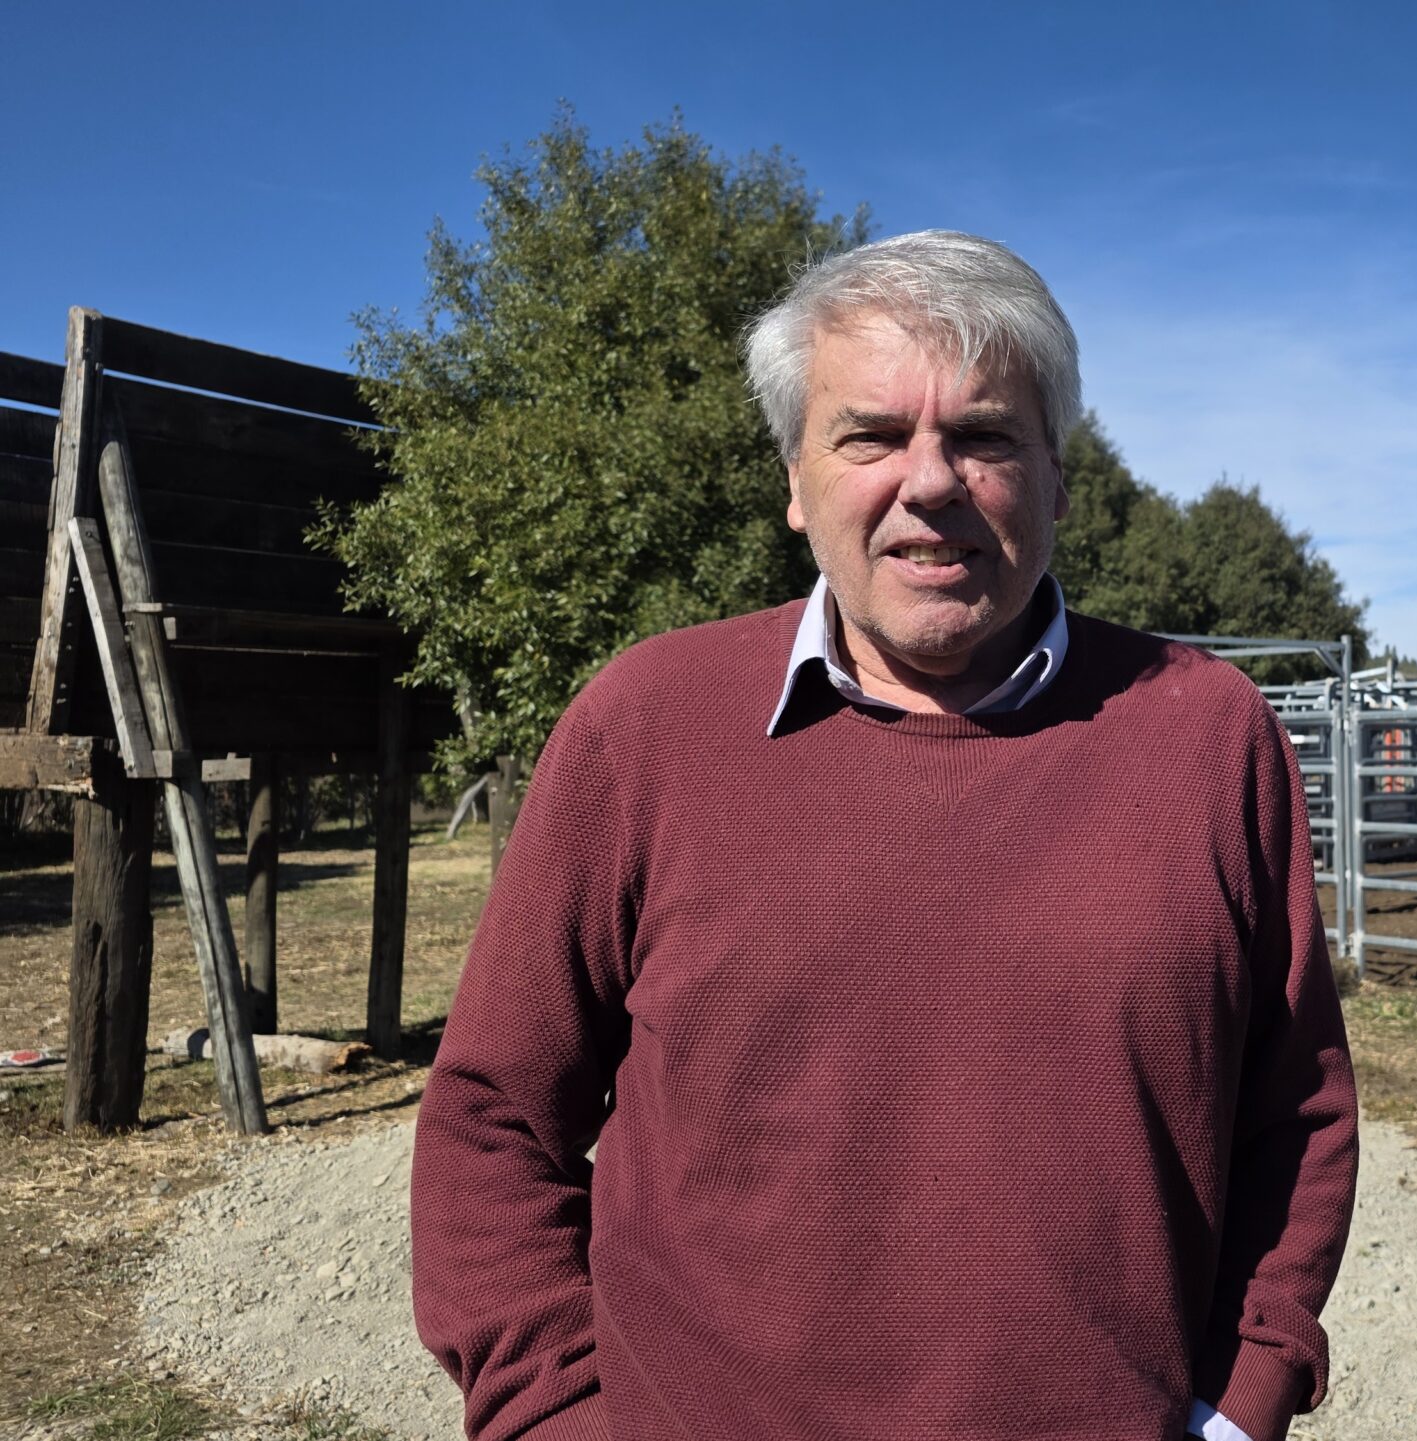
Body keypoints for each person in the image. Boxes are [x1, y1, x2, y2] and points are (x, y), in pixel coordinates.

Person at [410, 230, 1359, 1441]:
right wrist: (553, 1411)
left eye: (984, 435)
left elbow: (1297, 1113)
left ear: (1059, 480)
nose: (930, 481)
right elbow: (493, 1114)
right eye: (869, 435)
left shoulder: (1209, 734)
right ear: (794, 480)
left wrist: (1240, 1401)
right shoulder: (643, 725)